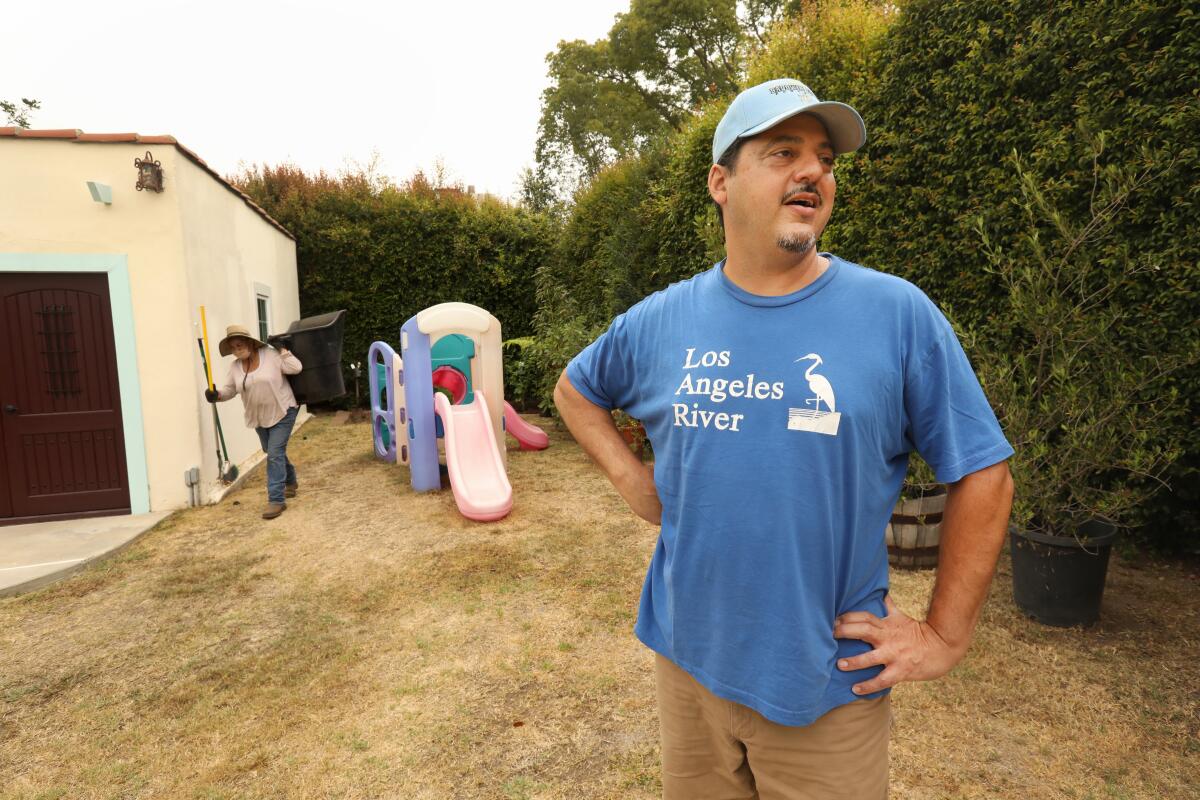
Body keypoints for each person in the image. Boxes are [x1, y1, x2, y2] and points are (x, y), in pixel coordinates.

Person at [553, 78, 1015, 799]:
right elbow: (574, 390)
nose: (814, 172)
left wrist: (944, 637)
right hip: (686, 667)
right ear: (721, 182)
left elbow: (985, 470)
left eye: (825, 159)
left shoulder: (895, 314)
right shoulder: (662, 320)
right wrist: (632, 479)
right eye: (782, 152)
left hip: (822, 690)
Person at [205, 324, 303, 519]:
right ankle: (291, 481)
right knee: (273, 451)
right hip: (258, 416)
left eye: (239, 344)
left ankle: (276, 500)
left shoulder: (271, 355)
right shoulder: (235, 367)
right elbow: (230, 390)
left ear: (250, 342)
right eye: (233, 347)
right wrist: (216, 395)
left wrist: (282, 349)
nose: (237, 349)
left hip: (283, 410)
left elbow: (296, 368)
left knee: (274, 453)